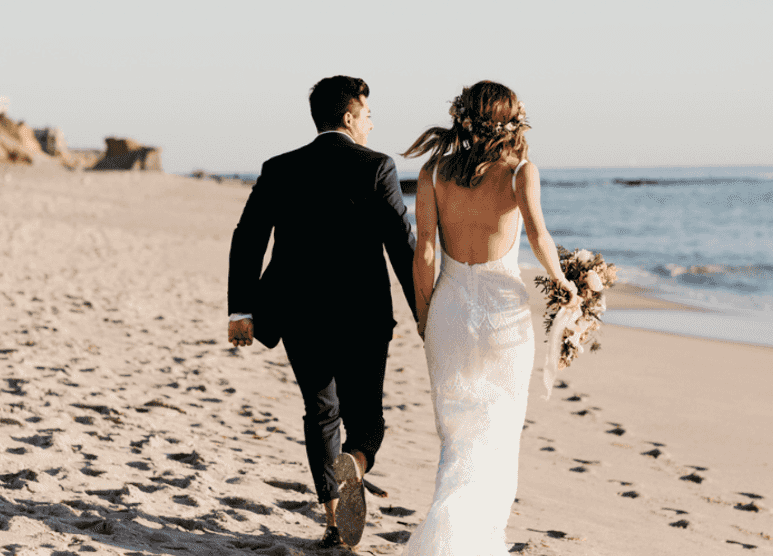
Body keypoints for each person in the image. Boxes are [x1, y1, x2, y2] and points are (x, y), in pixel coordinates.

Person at [226, 76, 418, 549]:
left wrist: (240, 309)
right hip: (363, 315)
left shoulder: (280, 167)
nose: (372, 123)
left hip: (297, 312)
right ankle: (356, 461)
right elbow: (401, 246)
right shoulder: (376, 167)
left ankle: (334, 521)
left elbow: (247, 237)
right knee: (367, 421)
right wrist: (424, 312)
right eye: (368, 114)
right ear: (350, 118)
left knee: (320, 411)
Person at [399, 81, 579, 554]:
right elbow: (539, 237)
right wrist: (564, 282)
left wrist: (423, 315)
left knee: (456, 436)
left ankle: (448, 538)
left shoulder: (433, 172)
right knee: (499, 433)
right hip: (503, 315)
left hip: (450, 311)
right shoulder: (521, 172)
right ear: (510, 120)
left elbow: (426, 251)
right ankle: (480, 542)